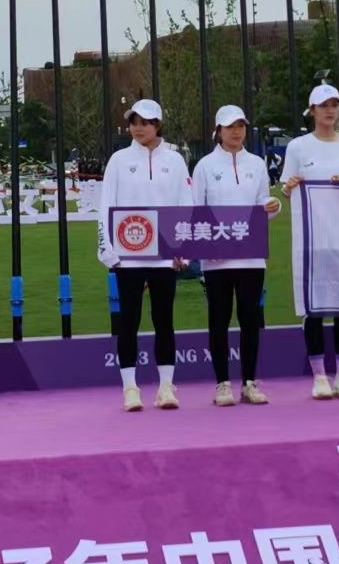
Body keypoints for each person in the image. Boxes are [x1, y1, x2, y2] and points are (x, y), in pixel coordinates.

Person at [96, 99, 190, 412]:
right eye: (134, 122)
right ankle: (130, 388)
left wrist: (182, 250)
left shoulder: (175, 160)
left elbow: (185, 205)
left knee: (164, 320)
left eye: (145, 122)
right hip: (129, 255)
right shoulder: (119, 160)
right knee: (129, 321)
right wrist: (108, 250)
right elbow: (106, 205)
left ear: (158, 125)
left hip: (165, 256)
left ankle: (166, 386)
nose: (138, 128)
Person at [281, 83, 339, 400]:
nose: (330, 110)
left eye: (334, 105)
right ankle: (319, 376)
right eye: (324, 105)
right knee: (314, 308)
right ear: (312, 111)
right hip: (312, 240)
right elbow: (286, 189)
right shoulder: (298, 147)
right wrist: (290, 187)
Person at [192, 105, 280, 407]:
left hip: (250, 256)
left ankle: (249, 382)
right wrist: (207, 248)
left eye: (240, 125)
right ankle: (222, 384)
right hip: (216, 259)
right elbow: (197, 210)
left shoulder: (256, 164)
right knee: (218, 319)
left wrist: (273, 206)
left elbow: (263, 203)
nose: (236, 131)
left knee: (250, 319)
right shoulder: (204, 166)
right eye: (230, 126)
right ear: (218, 130)